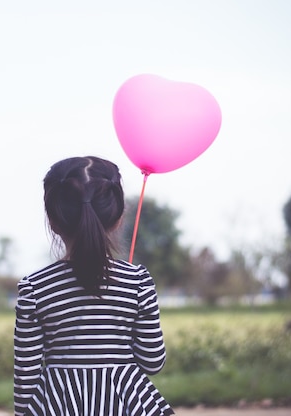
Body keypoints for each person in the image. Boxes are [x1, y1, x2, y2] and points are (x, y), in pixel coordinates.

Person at [14, 156, 174, 416]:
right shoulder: (138, 282)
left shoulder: (34, 288)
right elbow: (152, 361)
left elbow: (26, 379)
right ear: (118, 217)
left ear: (53, 221)